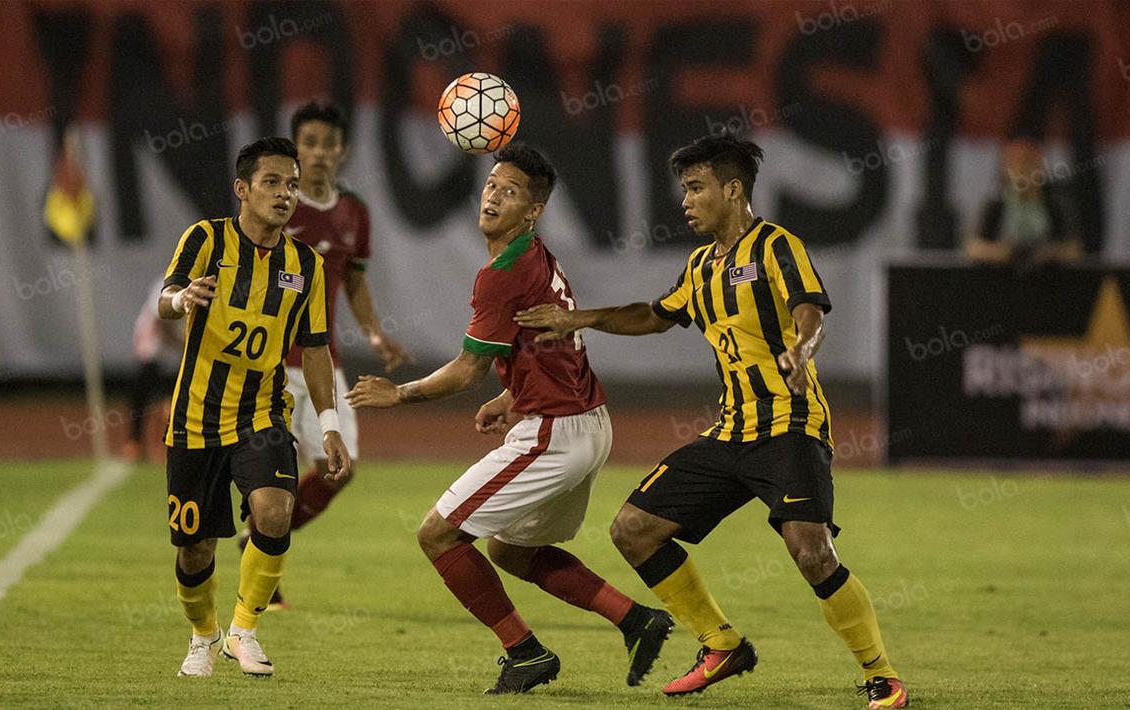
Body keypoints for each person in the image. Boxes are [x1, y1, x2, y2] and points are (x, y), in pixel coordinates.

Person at [515, 133, 909, 708]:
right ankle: (721, 644)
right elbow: (654, 315)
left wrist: (800, 350)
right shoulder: (700, 266)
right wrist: (580, 319)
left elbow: (809, 309)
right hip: (730, 432)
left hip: (790, 425)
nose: (686, 201)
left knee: (811, 551)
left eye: (696, 187)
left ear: (733, 190)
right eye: (684, 189)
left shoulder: (775, 246)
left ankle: (882, 675)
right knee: (632, 529)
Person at [346, 144, 672, 695]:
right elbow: (543, 347)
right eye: (492, 184)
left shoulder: (502, 272)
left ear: (533, 210)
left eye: (511, 191)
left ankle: (525, 653)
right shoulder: (535, 254)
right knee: (509, 550)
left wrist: (398, 394)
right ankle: (636, 619)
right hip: (586, 421)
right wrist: (514, 393)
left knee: (438, 535)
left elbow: (466, 371)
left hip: (554, 434)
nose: (493, 196)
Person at [159, 137, 351, 678]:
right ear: (242, 189)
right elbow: (166, 300)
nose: (284, 194)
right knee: (195, 548)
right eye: (272, 182)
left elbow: (315, 349)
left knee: (274, 510)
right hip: (195, 418)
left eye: (292, 185)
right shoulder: (205, 238)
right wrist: (181, 299)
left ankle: (243, 631)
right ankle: (204, 635)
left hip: (262, 413)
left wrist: (330, 425)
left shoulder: (306, 265)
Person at [236, 101, 409, 608]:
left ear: (343, 151)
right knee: (276, 479)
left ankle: (255, 538)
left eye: (328, 145)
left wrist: (374, 334)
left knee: (340, 470)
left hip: (321, 363)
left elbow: (353, 280)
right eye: (309, 143)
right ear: (295, 148)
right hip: (267, 366)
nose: (318, 154)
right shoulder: (274, 205)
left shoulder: (354, 211)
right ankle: (263, 580)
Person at [966, 138, 1081, 266]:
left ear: (1040, 167)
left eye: (1029, 164)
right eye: (1016, 164)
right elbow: (974, 248)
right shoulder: (996, 204)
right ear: (1005, 170)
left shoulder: (1054, 204)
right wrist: (1003, 253)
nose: (1022, 171)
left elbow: (1073, 249)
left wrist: (1051, 253)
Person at [124, 277, 185, 463]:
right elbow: (161, 319)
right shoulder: (168, 282)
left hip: (172, 350)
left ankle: (171, 443)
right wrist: (180, 344)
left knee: (174, 397)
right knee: (143, 396)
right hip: (153, 348)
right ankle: (135, 442)